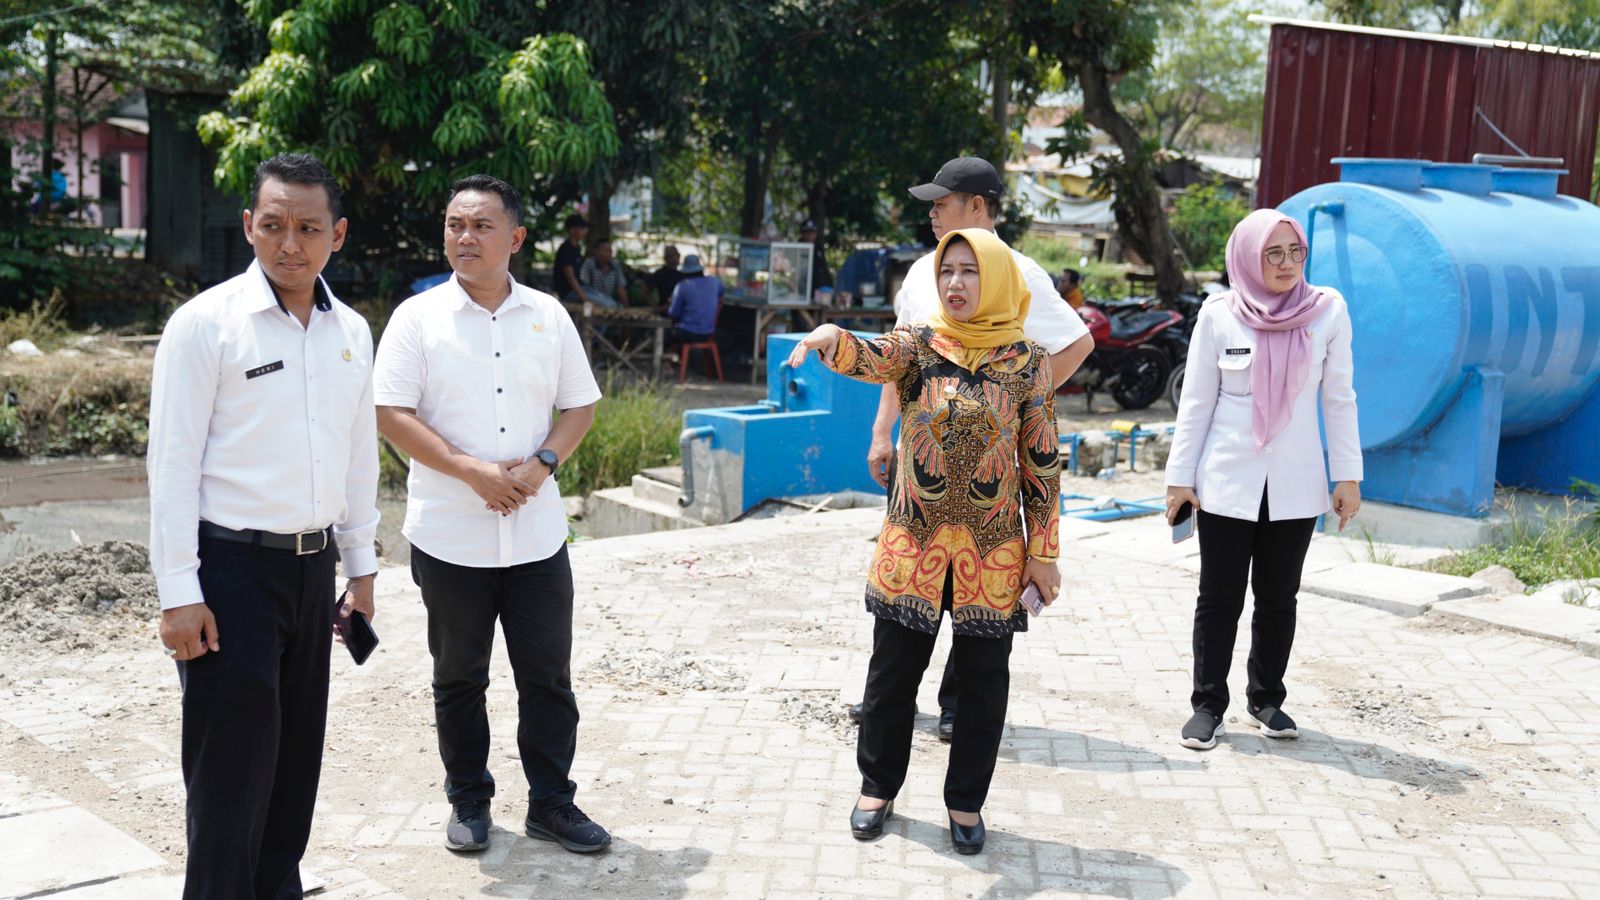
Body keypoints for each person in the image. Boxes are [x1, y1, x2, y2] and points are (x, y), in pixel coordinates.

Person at [147, 152, 379, 899]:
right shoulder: (205, 326)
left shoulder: (350, 332)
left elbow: (356, 455)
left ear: (336, 235)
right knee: (229, 778)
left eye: (308, 228)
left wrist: (361, 567)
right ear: (249, 226)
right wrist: (178, 593)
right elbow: (173, 465)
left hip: (312, 575)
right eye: (273, 225)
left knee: (292, 770)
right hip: (231, 575)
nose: (290, 244)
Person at [788, 228, 1061, 855]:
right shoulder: (919, 344)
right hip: (913, 542)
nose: (957, 283)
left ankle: (966, 802)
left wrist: (1044, 553)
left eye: (970, 271)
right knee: (891, 675)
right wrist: (833, 339)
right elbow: (872, 355)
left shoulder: (1028, 362)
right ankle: (876, 788)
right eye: (947, 272)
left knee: (984, 686)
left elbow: (1041, 463)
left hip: (993, 553)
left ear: (994, 280)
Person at [373, 174, 611, 854]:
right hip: (451, 535)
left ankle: (553, 804)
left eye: (480, 225)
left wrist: (544, 464)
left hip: (536, 537)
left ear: (516, 237)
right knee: (459, 676)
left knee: (547, 677)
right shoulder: (418, 318)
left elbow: (581, 406)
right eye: (454, 225)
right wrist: (471, 472)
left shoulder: (547, 314)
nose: (464, 237)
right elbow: (391, 413)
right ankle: (469, 802)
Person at [855, 156, 1093, 741]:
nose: (932, 213)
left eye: (942, 202)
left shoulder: (1019, 272)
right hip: (925, 465)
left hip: (985, 481)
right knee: (908, 586)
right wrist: (883, 430)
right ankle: (889, 704)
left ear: (979, 207)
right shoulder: (922, 273)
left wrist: (1002, 412)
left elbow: (1076, 343)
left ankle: (959, 702)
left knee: (976, 586)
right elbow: (897, 356)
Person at [1165, 209, 1362, 752]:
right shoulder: (1220, 314)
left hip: (1296, 484)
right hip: (1226, 480)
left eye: (1295, 252)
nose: (1285, 264)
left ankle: (1265, 699)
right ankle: (1207, 707)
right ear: (1249, 257)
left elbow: (1339, 398)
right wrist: (1180, 479)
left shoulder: (1327, 313)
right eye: (1272, 253)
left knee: (1279, 597)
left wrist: (1347, 475)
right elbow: (1197, 402)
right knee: (1219, 596)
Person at [665, 254, 722, 347]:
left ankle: (662, 360)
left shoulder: (682, 286)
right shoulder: (715, 282)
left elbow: (673, 314)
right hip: (709, 333)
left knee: (661, 334)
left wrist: (671, 303)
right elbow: (721, 295)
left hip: (687, 333)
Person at [579, 238, 628, 308]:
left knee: (618, 306)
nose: (609, 253)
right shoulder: (589, 264)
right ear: (596, 252)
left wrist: (627, 307)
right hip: (591, 296)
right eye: (605, 251)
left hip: (607, 299)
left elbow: (621, 288)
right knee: (610, 304)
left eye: (610, 251)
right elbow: (584, 287)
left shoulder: (615, 265)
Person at [554, 213, 589, 302]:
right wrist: (584, 297)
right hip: (568, 293)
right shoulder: (566, 249)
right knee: (608, 304)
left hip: (579, 288)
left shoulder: (577, 247)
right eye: (582, 228)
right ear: (572, 230)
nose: (585, 231)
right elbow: (570, 277)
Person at [800, 219, 833, 290]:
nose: (809, 235)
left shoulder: (818, 249)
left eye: (812, 232)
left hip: (816, 287)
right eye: (806, 232)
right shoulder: (798, 248)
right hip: (801, 286)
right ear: (802, 234)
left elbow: (822, 268)